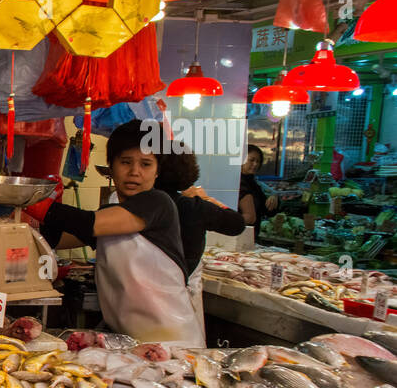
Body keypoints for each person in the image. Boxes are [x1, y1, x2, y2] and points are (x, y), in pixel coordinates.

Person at [37, 120, 203, 346]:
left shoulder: (158, 203)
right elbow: (57, 239)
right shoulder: (111, 215)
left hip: (174, 345)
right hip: (130, 343)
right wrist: (21, 223)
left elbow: (89, 223)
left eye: (145, 164)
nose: (134, 172)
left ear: (157, 172)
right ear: (111, 166)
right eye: (125, 162)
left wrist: (34, 201)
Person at [153, 141, 247, 345]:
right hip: (179, 302)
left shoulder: (136, 203)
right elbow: (237, 224)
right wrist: (207, 200)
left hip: (146, 300)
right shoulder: (193, 206)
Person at [239, 144, 279, 231]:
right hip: (237, 234)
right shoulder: (236, 183)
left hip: (251, 235)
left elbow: (267, 211)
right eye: (252, 160)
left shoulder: (254, 185)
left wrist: (273, 201)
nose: (255, 164)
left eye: (258, 161)